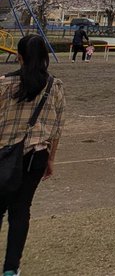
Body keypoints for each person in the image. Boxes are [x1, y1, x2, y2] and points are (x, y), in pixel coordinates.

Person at [0, 35, 66, 275]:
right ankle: (11, 268)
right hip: (36, 155)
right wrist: (50, 159)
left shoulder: (3, 84)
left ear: (19, 57)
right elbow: (57, 128)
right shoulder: (54, 87)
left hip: (4, 152)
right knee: (21, 210)